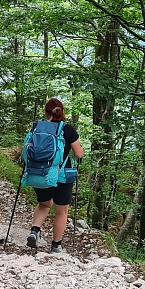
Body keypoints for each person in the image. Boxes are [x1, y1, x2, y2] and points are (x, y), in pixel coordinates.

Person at [27, 98, 84, 254]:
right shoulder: (68, 130)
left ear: (46, 112)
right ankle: (56, 246)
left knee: (44, 204)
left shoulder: (36, 127)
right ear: (62, 112)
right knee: (61, 211)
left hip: (39, 174)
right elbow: (79, 154)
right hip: (61, 176)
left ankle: (35, 231)